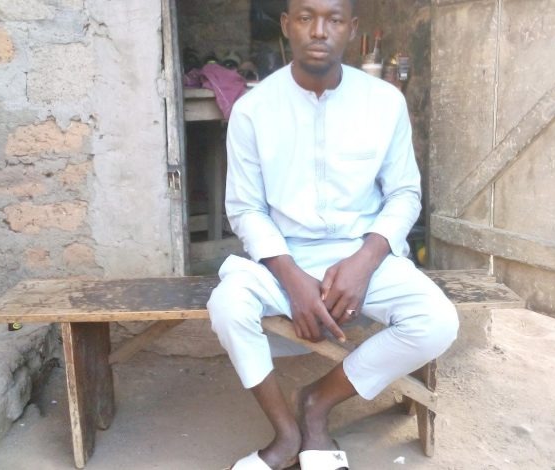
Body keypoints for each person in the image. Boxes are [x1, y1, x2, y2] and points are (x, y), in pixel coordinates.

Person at [206, 0, 459, 468]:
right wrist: (293, 280)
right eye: (306, 18)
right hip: (283, 257)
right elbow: (245, 208)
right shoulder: (252, 110)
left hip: (363, 255)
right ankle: (285, 434)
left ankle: (316, 403)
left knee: (437, 322)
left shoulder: (384, 102)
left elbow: (404, 194)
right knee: (227, 306)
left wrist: (364, 262)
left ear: (351, 28)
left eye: (334, 19)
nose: (319, 31)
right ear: (287, 26)